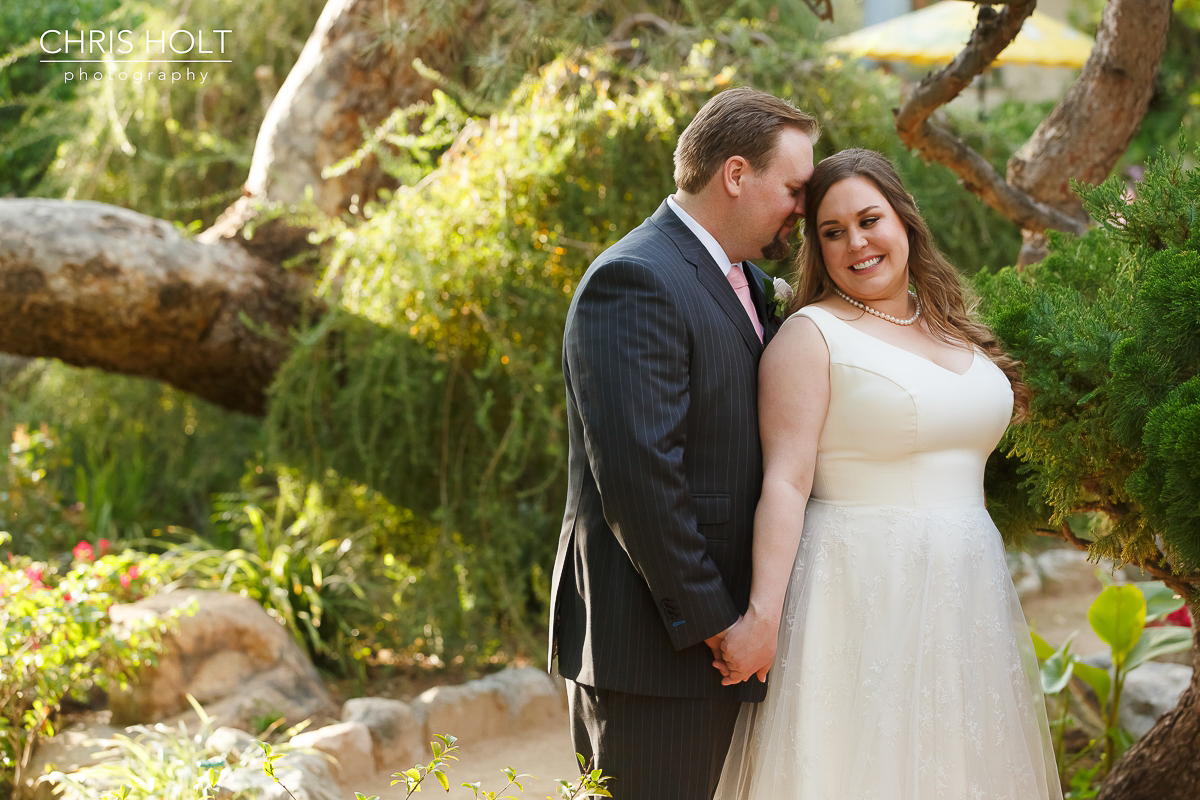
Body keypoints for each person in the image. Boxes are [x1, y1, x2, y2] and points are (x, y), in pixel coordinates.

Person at [713, 148, 1062, 800]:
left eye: (870, 219)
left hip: (965, 589)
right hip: (860, 587)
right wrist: (762, 616)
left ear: (904, 219)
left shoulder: (953, 327)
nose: (857, 243)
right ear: (816, 247)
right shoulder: (811, 336)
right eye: (833, 232)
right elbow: (785, 482)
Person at [548, 87, 818, 800]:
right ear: (736, 174)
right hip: (659, 654)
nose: (802, 207)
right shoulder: (636, 279)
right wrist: (719, 626)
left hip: (729, 645)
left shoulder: (747, 282)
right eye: (793, 187)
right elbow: (641, 478)